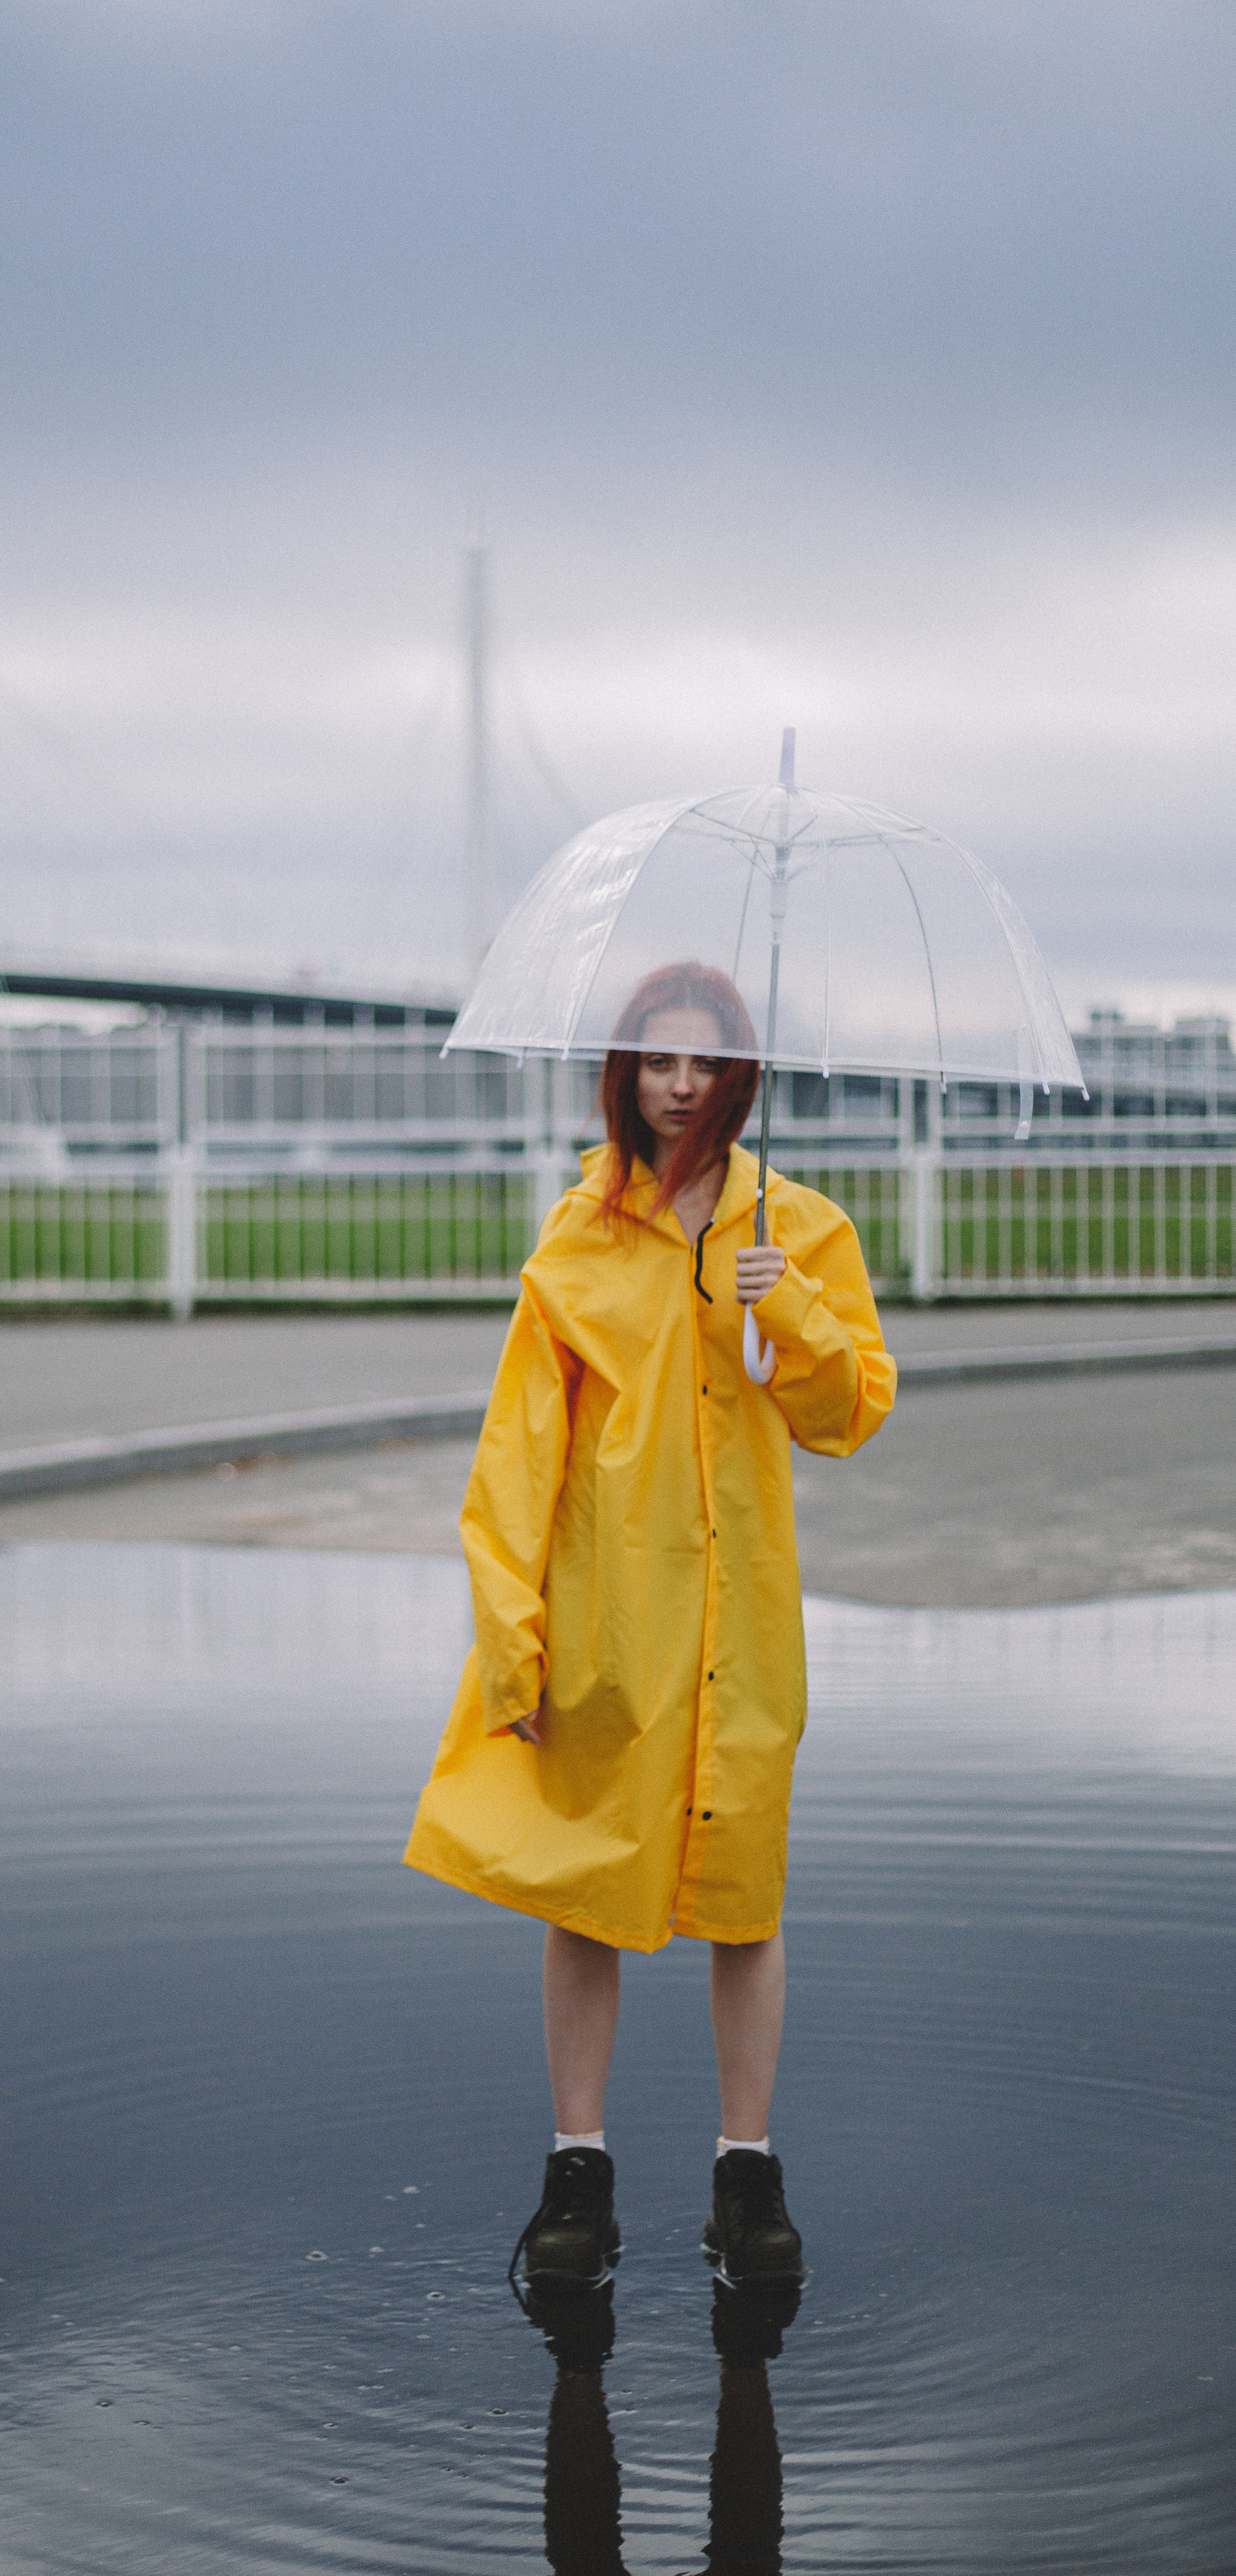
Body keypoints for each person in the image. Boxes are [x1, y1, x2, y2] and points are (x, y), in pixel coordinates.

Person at [404, 960, 895, 2289]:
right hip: (608, 1617)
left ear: (738, 1074)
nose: (676, 1083)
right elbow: (517, 1450)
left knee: (744, 1898)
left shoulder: (793, 1230)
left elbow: (850, 1409)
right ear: (618, 1073)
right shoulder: (577, 1239)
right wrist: (514, 1633)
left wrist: (775, 1300)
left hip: (740, 1624)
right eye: (651, 1059)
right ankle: (578, 2172)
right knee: (581, 1889)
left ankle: (746, 2174)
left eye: (699, 1061)